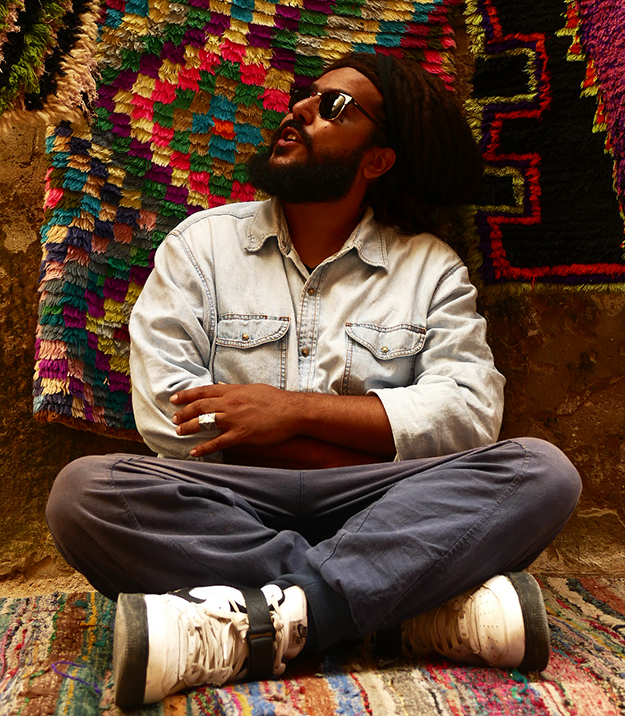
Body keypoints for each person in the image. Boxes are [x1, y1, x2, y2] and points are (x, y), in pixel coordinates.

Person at [45, 52, 582, 709]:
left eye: (332, 107)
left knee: (541, 472)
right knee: (86, 494)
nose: (299, 110)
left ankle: (271, 619)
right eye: (305, 97)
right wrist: (354, 442)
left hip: (380, 502)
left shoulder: (428, 268)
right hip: (232, 495)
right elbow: (166, 415)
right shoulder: (202, 246)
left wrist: (293, 413)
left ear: (376, 161)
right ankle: (401, 610)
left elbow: (469, 413)